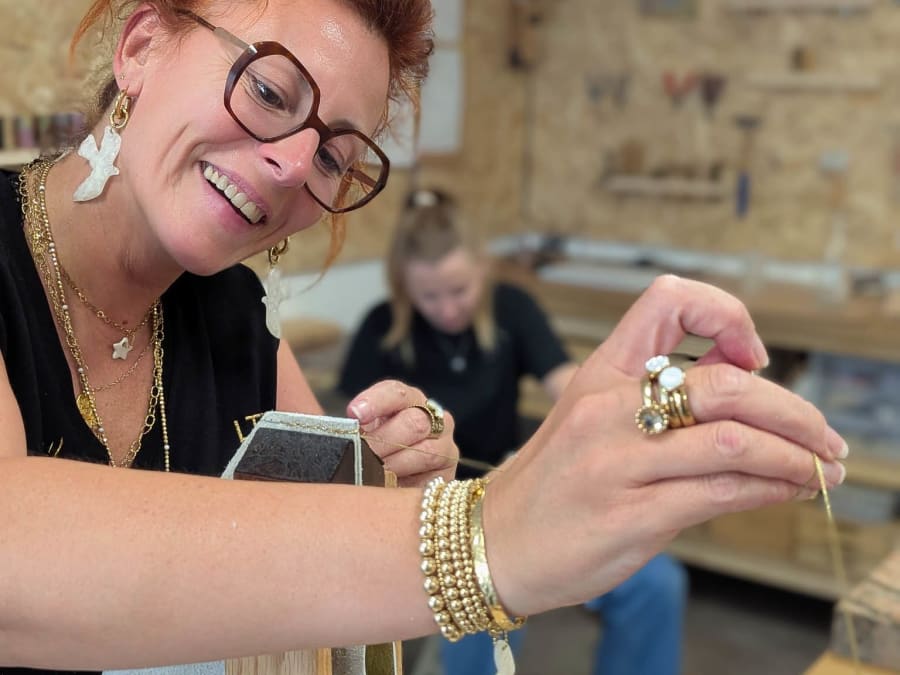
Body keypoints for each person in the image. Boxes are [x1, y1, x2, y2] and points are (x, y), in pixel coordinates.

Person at [0, 1, 848, 673]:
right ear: (141, 45)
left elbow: (327, 607)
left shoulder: (232, 321)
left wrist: (396, 488)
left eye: (334, 156)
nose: (296, 165)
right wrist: (482, 529)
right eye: (268, 91)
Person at [337, 188, 687, 675]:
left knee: (656, 584)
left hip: (513, 489)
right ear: (404, 288)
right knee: (480, 596)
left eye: (458, 291)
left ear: (482, 268)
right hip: (427, 512)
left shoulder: (513, 309)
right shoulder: (380, 328)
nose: (447, 309)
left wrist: (626, 407)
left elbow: (572, 387)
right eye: (429, 296)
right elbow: (348, 432)